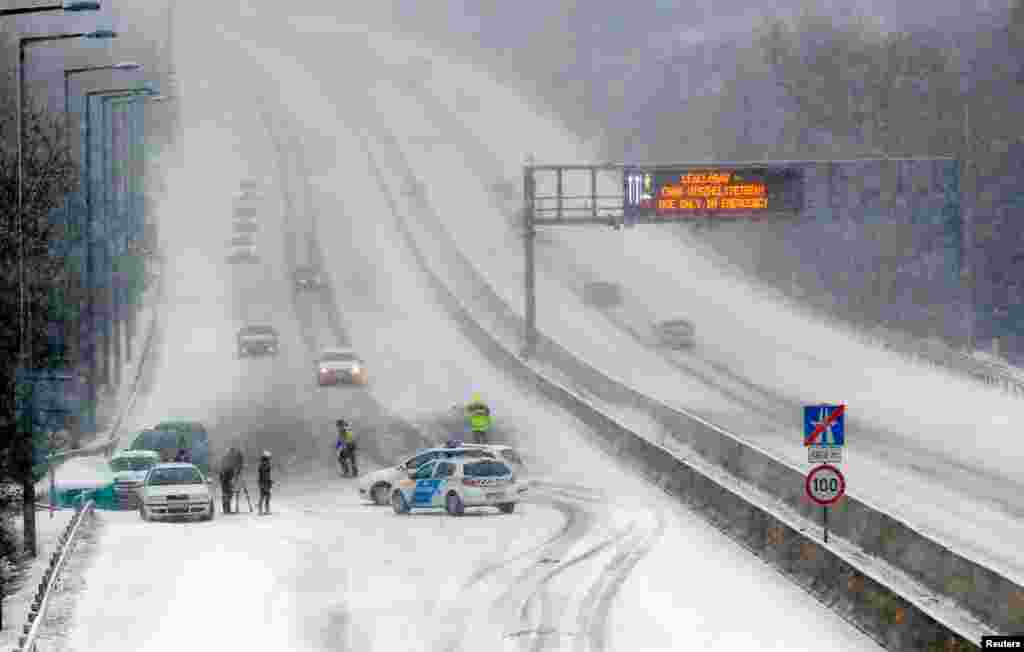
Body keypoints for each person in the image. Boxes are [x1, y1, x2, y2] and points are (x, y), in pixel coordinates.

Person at [257, 450, 273, 515]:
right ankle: (266, 510)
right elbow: (266, 475)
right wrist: (269, 481)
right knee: (267, 496)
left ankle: (261, 510)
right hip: (265, 482)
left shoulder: (261, 464)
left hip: (262, 482)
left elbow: (262, 474)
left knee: (262, 496)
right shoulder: (266, 464)